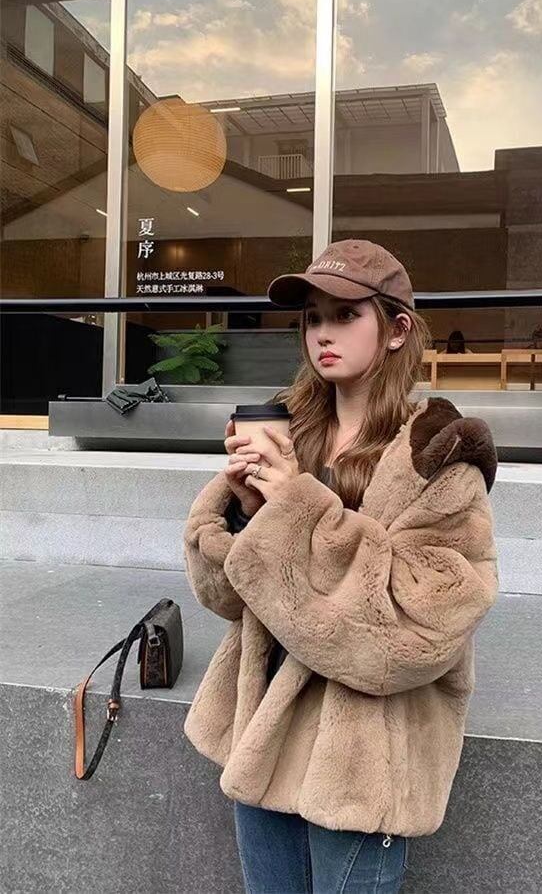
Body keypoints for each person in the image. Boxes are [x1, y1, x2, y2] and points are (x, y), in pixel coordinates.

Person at [182, 239, 499, 894]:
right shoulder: (290, 432)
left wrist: (294, 508)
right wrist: (246, 512)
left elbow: (424, 624)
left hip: (360, 758)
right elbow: (224, 594)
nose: (323, 334)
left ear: (397, 329)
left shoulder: (436, 450)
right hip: (265, 730)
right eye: (312, 318)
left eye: (346, 315)